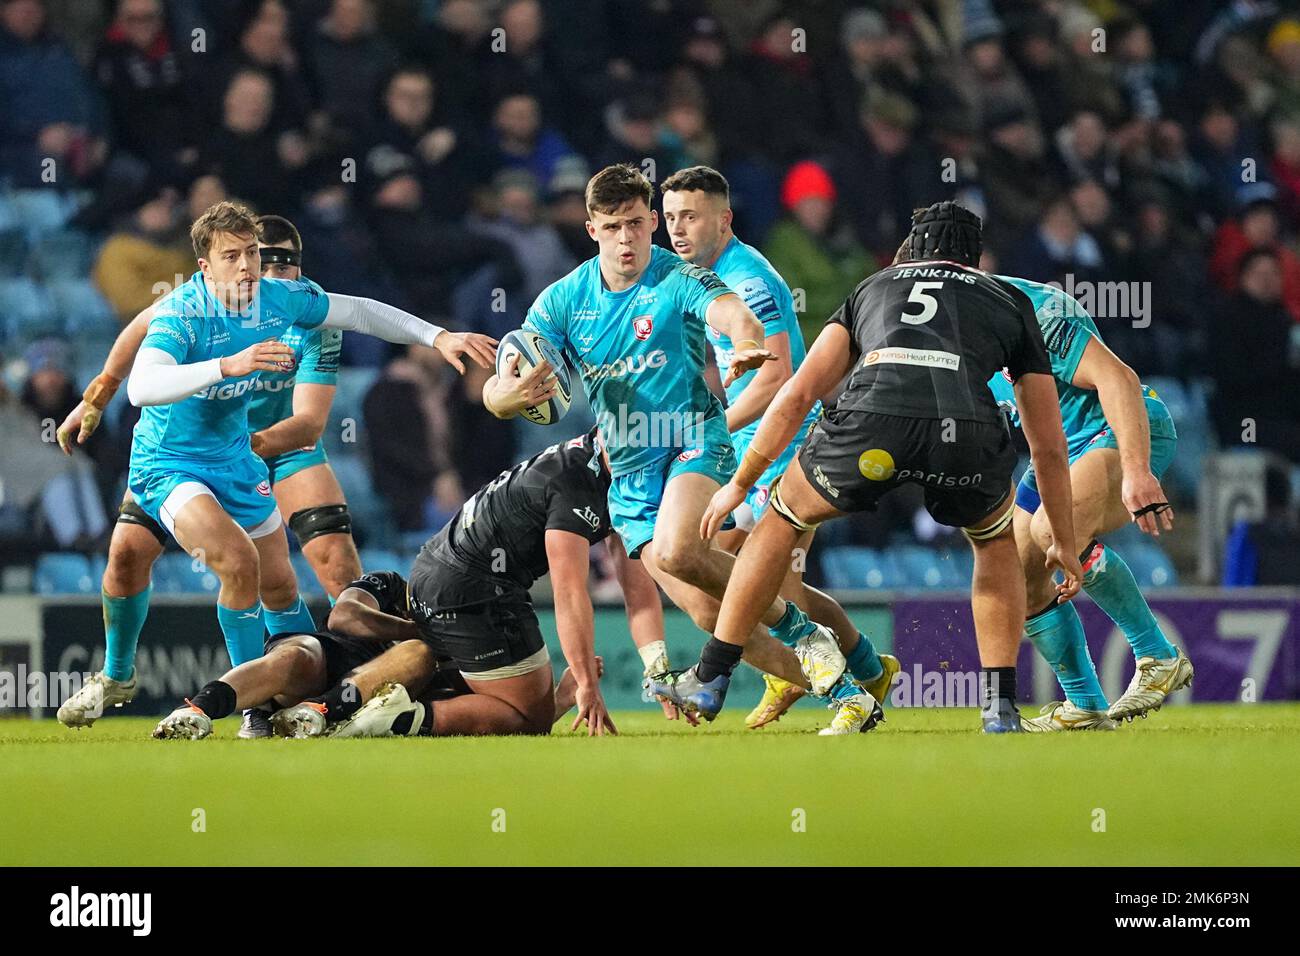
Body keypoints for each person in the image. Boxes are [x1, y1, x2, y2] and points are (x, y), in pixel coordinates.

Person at [53, 201, 496, 735]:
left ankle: (305, 688)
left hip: (238, 458)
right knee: (209, 562)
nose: (246, 267)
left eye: (252, 256)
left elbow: (356, 311)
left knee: (280, 584)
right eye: (232, 257)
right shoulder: (183, 312)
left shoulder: (280, 301)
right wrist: (104, 394)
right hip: (170, 461)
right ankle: (240, 704)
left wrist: (437, 336)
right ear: (205, 267)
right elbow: (144, 385)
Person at [654, 202, 1085, 734]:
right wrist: (1061, 539)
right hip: (964, 435)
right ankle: (999, 708)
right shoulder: (1008, 298)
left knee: (784, 518)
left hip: (870, 428)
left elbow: (800, 392)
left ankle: (712, 676)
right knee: (994, 544)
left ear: (912, 248)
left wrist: (740, 486)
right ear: (973, 259)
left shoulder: (873, 287)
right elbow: (1047, 444)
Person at [482, 165, 849, 727]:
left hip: (693, 441)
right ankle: (846, 689)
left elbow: (733, 313)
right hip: (627, 469)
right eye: (613, 227)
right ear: (591, 230)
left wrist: (747, 342)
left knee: (681, 550)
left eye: (635, 224)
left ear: (650, 221)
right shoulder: (561, 301)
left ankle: (806, 632)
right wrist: (506, 398)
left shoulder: (677, 275)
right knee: (707, 611)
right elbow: (500, 385)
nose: (627, 239)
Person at [659, 165, 899, 732]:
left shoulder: (751, 281)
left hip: (782, 450)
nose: (678, 230)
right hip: (745, 449)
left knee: (772, 587)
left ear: (725, 219)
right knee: (722, 573)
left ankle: (857, 671)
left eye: (690, 216)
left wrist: (705, 427)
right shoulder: (705, 279)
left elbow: (777, 379)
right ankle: (849, 668)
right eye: (669, 218)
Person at [300, 429, 632, 738]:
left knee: (518, 706)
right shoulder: (578, 487)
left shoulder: (568, 461)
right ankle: (395, 719)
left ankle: (332, 709)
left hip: (436, 570)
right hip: (476, 589)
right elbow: (570, 592)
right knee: (529, 718)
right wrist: (586, 680)